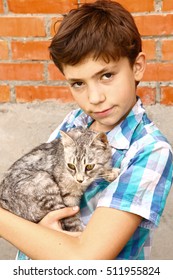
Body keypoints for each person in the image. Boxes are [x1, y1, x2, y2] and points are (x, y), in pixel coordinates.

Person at [0, 0, 172, 260]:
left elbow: (87, 260)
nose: (94, 98)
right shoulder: (75, 122)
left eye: (106, 76)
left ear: (137, 67)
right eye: (78, 83)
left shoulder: (149, 150)